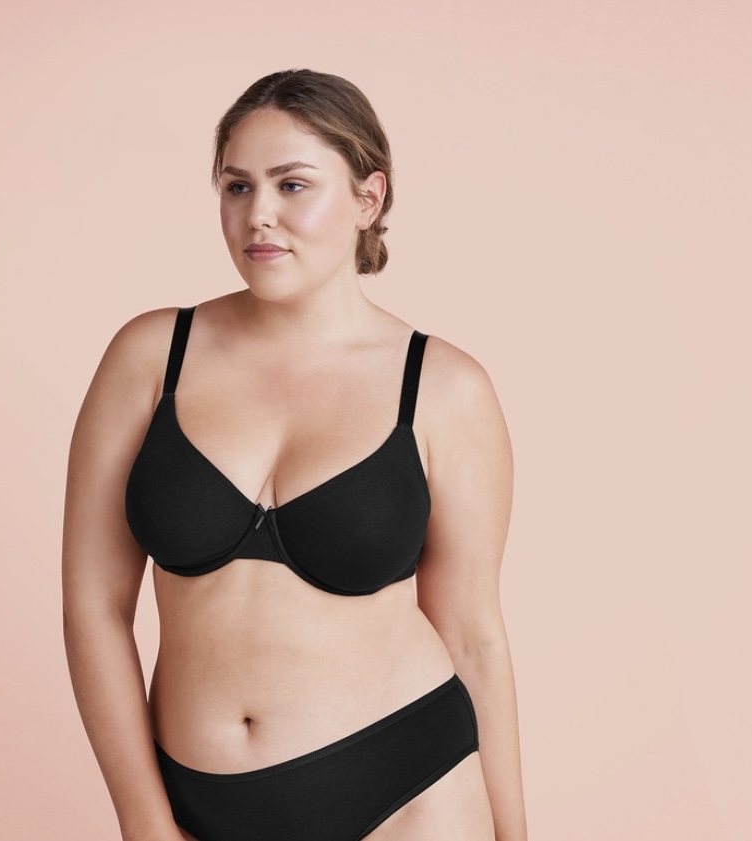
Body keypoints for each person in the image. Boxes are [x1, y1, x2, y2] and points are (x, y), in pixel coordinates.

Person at [62, 68, 526, 841]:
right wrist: (144, 821)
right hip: (194, 800)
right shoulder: (150, 357)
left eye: (292, 184)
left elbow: (473, 635)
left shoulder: (443, 389)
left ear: (368, 199)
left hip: (407, 791)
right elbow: (93, 605)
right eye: (237, 186)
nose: (259, 215)